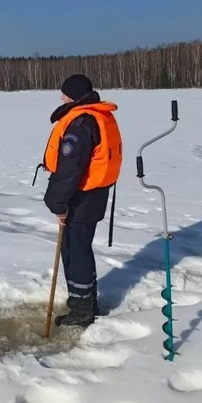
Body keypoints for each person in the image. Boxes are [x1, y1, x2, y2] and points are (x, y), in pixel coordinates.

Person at [41, 74, 123, 328]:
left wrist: (58, 203)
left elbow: (69, 170)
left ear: (73, 96)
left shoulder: (81, 123)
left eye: (64, 93)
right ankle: (86, 301)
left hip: (82, 195)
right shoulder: (99, 115)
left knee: (75, 251)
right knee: (80, 248)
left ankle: (82, 310)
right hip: (94, 193)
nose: (61, 97)